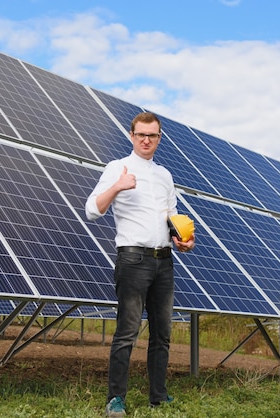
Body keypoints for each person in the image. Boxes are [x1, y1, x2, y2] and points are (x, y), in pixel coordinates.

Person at [85, 112, 195, 417]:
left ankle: (158, 396)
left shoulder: (165, 176)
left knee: (162, 334)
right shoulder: (117, 168)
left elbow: (173, 219)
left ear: (159, 138)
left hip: (164, 261)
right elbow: (92, 210)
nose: (147, 140)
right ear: (132, 136)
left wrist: (183, 241)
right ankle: (115, 399)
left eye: (153, 135)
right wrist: (118, 186)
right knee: (127, 332)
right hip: (133, 260)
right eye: (141, 134)